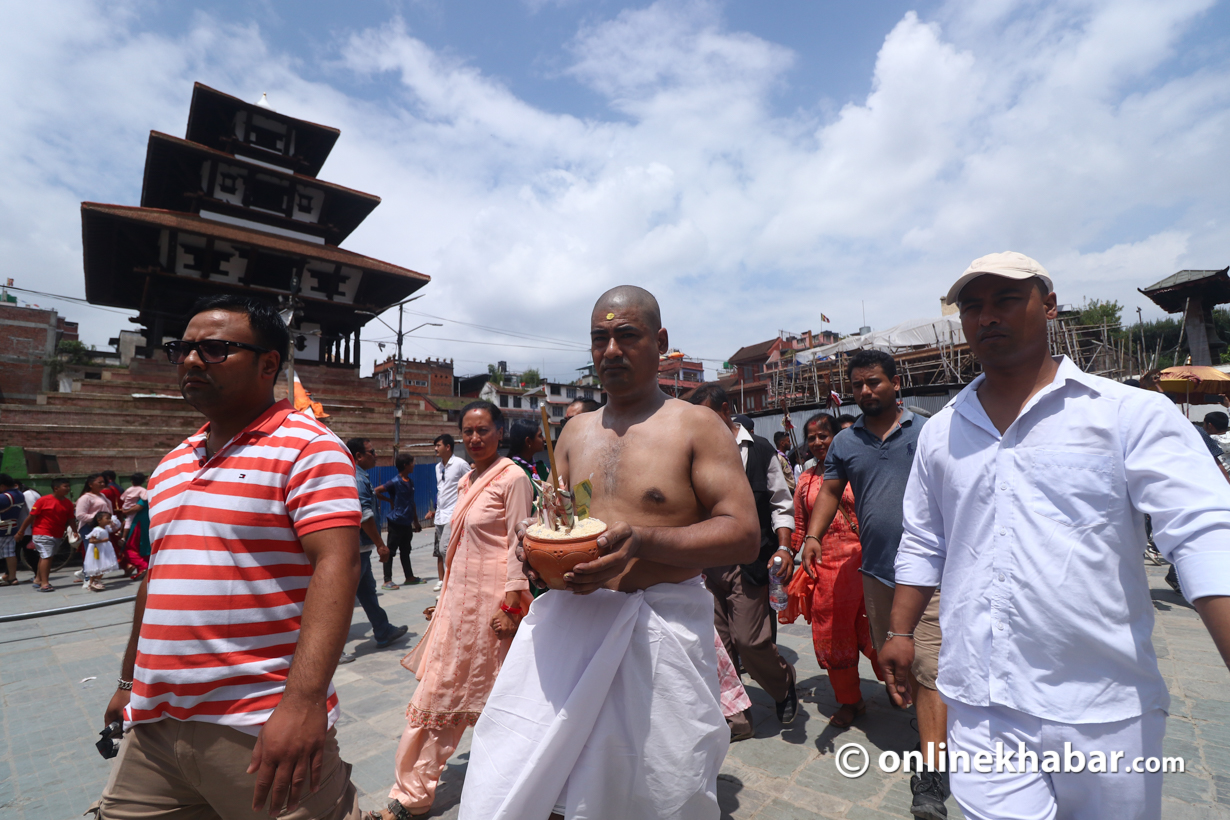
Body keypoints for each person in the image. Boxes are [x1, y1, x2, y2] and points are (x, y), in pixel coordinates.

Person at [884, 252, 1230, 820]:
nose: (987, 317)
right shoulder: (942, 432)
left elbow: (1202, 534)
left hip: (1103, 705)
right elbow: (924, 542)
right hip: (981, 702)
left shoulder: (1126, 414)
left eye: (1005, 300)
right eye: (973, 307)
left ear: (1048, 305)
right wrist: (899, 630)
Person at [459, 286, 760, 820]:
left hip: (659, 632)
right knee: (537, 781)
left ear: (660, 342)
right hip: (570, 628)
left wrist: (644, 541)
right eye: (601, 338)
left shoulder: (696, 426)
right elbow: (559, 519)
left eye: (627, 335)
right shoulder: (573, 432)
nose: (611, 350)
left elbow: (742, 534)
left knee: (656, 792)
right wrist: (536, 547)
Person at [93, 294, 368, 819]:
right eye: (184, 348)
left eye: (216, 349)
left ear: (269, 364)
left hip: (258, 728)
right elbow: (157, 580)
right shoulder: (173, 462)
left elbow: (337, 565)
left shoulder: (309, 447)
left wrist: (304, 704)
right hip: (153, 728)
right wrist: (127, 683)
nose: (192, 360)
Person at [801, 348, 947, 818]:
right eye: (858, 385)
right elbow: (827, 490)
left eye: (875, 382)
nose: (866, 392)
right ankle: (930, 722)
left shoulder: (927, 432)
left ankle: (931, 773)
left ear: (895, 383)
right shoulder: (845, 444)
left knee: (927, 667)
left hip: (928, 575)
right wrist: (812, 535)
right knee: (893, 658)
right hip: (876, 572)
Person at [371, 401, 534, 819]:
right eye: (468, 431)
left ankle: (412, 796)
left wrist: (513, 606)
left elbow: (520, 544)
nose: (475, 438)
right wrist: (444, 596)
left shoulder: (513, 478)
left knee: (457, 695)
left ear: (500, 430)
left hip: (491, 609)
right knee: (455, 694)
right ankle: (414, 791)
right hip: (458, 604)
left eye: (483, 430)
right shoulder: (469, 479)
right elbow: (463, 548)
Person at [690, 383, 799, 739]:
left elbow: (781, 505)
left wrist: (784, 549)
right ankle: (736, 718)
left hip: (749, 561)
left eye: (707, 415)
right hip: (707, 563)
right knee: (718, 646)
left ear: (725, 411)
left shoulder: (760, 450)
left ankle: (783, 684)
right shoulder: (694, 451)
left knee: (750, 642)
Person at [791, 413, 883, 727]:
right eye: (812, 438)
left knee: (877, 631)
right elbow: (800, 527)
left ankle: (903, 685)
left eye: (824, 435)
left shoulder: (859, 471)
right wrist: (784, 554)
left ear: (837, 437)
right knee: (833, 638)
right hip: (824, 574)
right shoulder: (805, 481)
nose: (818, 442)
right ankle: (850, 701)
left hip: (865, 567)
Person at [343, 438, 409, 661]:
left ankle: (383, 631)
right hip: (356, 548)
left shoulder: (359, 476)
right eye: (372, 452)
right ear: (359, 456)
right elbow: (365, 515)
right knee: (341, 600)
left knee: (368, 592)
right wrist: (381, 545)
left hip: (362, 548)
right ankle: (331, 649)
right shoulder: (358, 479)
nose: (376, 455)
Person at [15, 477, 76, 592]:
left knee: (46, 556)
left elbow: (71, 519)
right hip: (42, 533)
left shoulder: (67, 503)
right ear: (56, 488)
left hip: (57, 534)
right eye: (65, 486)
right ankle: (45, 583)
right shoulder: (43, 501)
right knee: (47, 556)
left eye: (68, 486)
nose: (68, 489)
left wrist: (75, 531)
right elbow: (31, 517)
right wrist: (21, 531)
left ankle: (38, 579)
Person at [425, 433, 467, 593]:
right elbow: (441, 491)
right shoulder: (438, 467)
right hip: (440, 515)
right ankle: (449, 581)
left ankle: (452, 581)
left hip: (453, 513)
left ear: (448, 447)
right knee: (443, 551)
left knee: (445, 549)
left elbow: (471, 482)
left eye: (438, 445)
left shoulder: (460, 464)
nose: (435, 449)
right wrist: (435, 511)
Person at [375, 454, 423, 589]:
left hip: (407, 522)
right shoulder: (394, 482)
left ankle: (409, 577)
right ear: (405, 465)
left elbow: (411, 503)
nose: (414, 465)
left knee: (406, 551)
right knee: (390, 551)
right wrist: (389, 501)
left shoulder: (410, 482)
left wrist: (416, 522)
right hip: (396, 522)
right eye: (412, 463)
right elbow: (376, 491)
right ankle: (387, 580)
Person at [506, 420, 548, 493]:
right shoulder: (514, 470)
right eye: (540, 436)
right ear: (528, 441)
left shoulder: (541, 468)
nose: (544, 439)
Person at [83, 510, 120, 591]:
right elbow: (91, 540)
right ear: (99, 520)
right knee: (96, 566)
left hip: (104, 549)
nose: (109, 520)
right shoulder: (97, 530)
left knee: (103, 566)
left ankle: (94, 582)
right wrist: (103, 540)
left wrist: (114, 520)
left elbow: (115, 527)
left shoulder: (106, 528)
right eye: (107, 518)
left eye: (109, 518)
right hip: (98, 550)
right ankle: (94, 581)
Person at [0, 474, 25, 586]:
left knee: (9, 553)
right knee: (10, 553)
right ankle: (12, 577)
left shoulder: (4, 497)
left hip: (1, 528)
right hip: (12, 528)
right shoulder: (19, 494)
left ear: (2, 486)